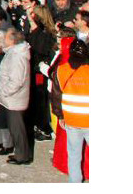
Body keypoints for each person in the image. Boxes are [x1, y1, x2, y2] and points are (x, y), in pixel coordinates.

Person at [0, 26, 33, 165]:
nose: (3, 39)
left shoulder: (17, 56)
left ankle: (22, 156)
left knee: (17, 129)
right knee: (15, 128)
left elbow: (17, 80)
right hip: (12, 98)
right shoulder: (13, 52)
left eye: (5, 37)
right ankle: (20, 153)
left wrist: (4, 92)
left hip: (14, 98)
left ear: (12, 40)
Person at [55, 38, 89, 183]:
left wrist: (60, 115)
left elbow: (56, 95)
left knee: (74, 155)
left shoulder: (61, 70)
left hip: (71, 119)